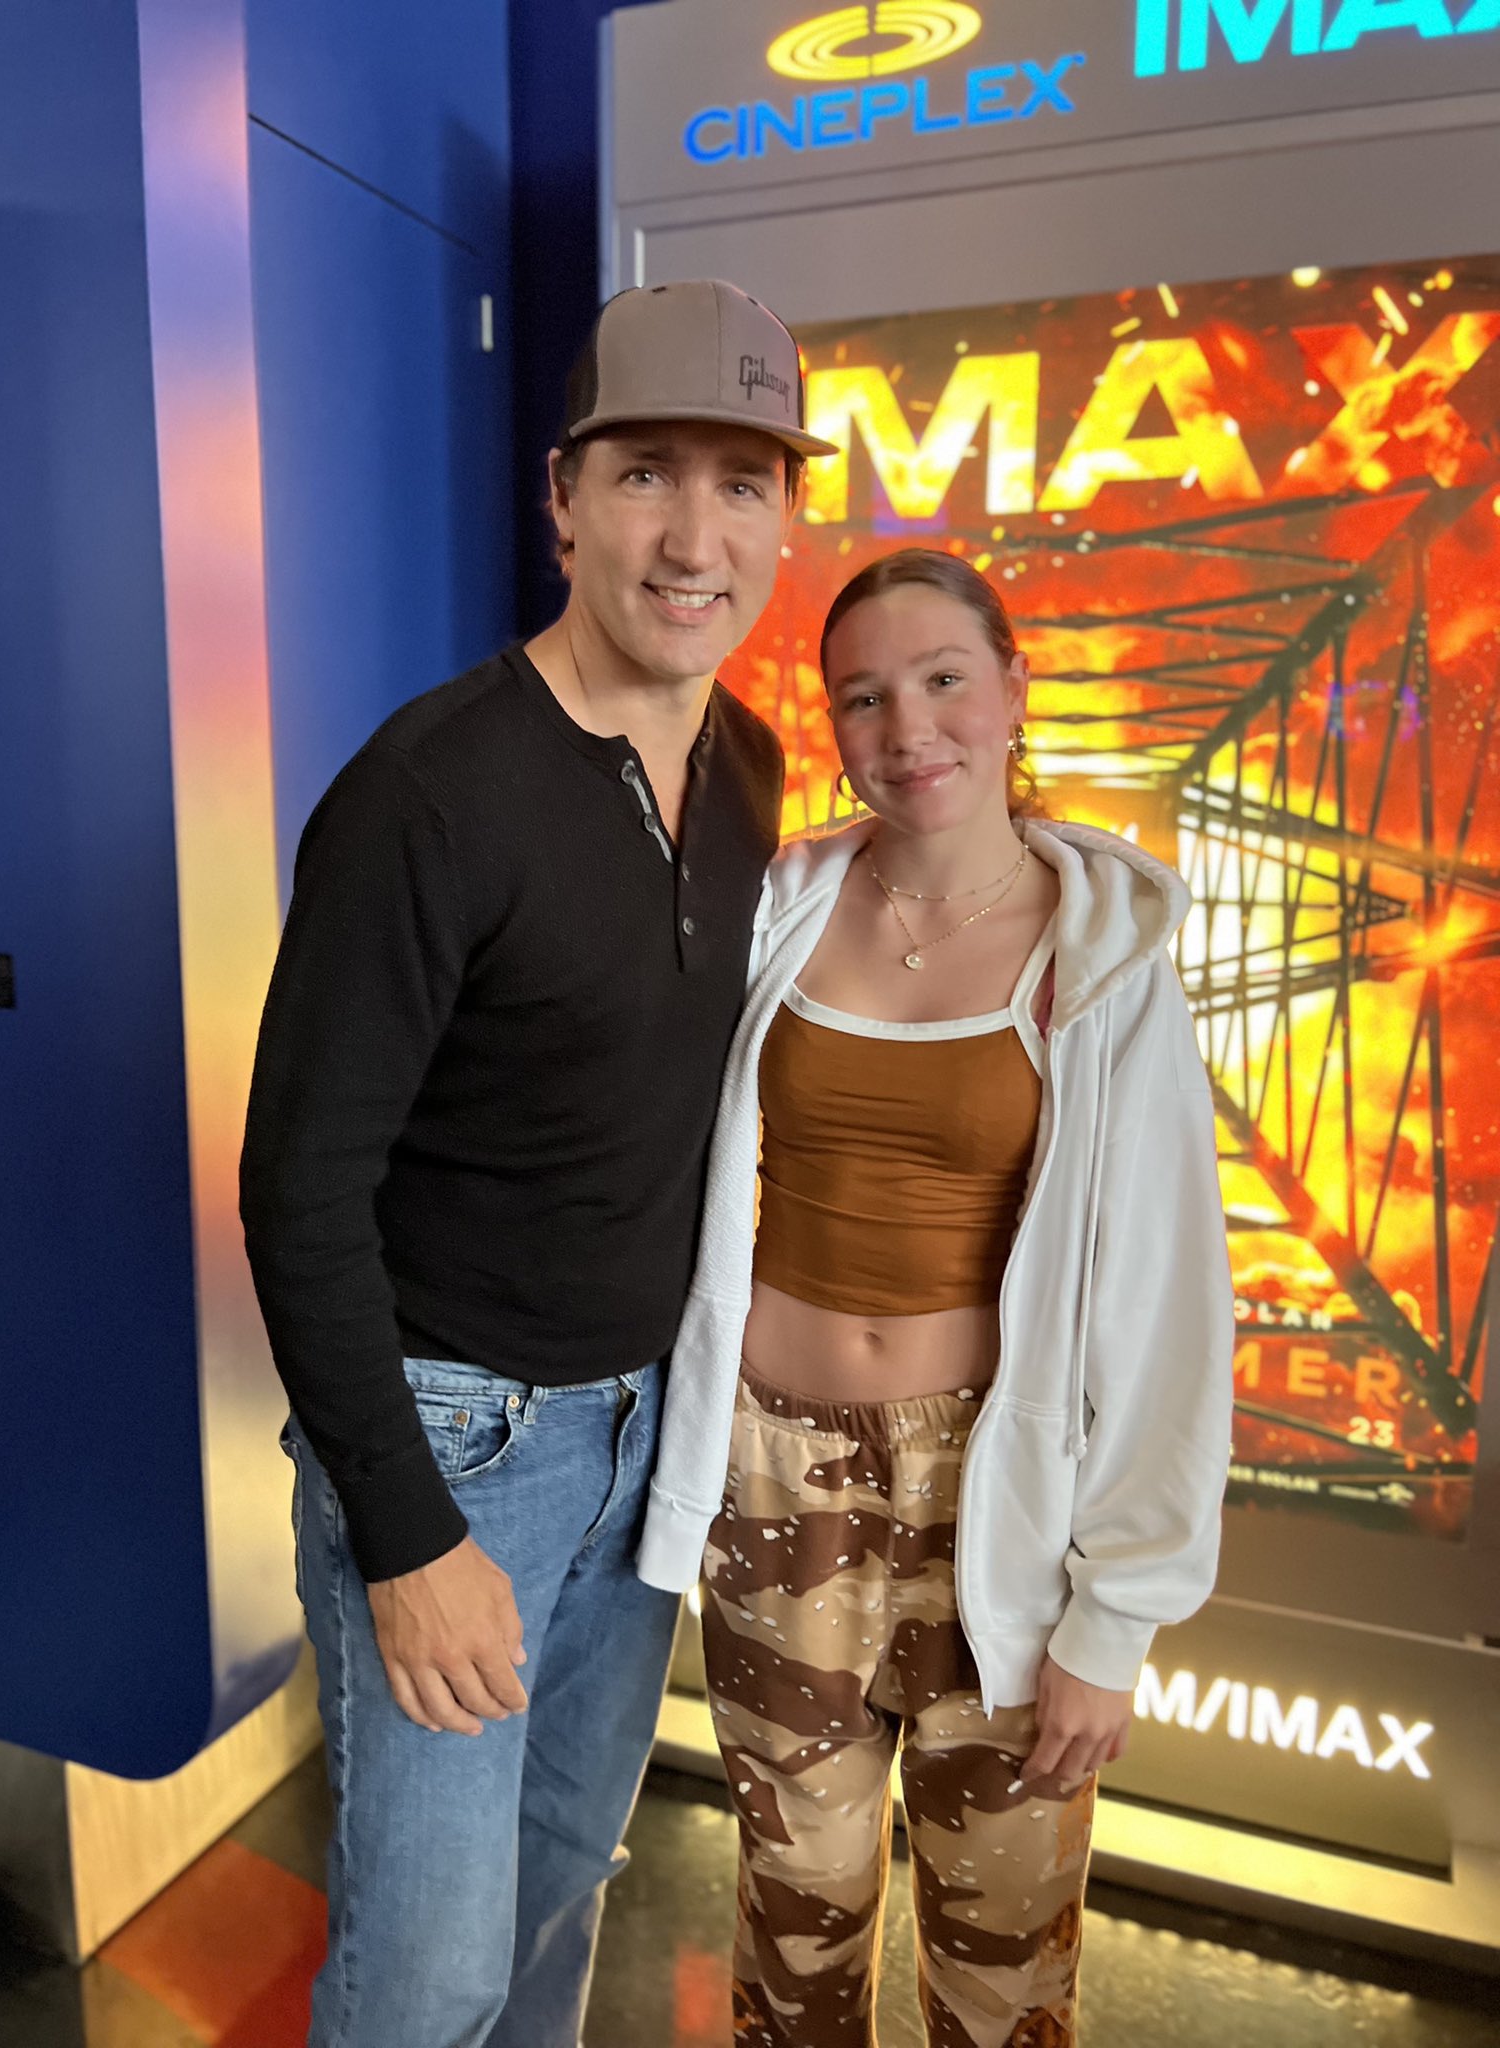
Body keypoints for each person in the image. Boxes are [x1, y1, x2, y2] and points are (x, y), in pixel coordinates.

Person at [239, 279, 838, 2048]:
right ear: (563, 497)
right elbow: (298, 1190)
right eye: (650, 473)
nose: (695, 535)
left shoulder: (748, 766)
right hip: (449, 1449)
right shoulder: (430, 794)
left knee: (564, 1882)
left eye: (744, 486)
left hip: (642, 1439)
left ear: (788, 523)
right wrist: (410, 1538)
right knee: (421, 1980)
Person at [638, 547, 1235, 2046]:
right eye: (865, 698)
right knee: (795, 1919)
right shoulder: (777, 909)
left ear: (1016, 687)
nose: (908, 729)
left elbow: (1167, 1301)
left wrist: (1120, 1618)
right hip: (777, 1483)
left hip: (1002, 1500)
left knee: (1004, 1953)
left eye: (944, 680)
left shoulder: (1104, 958)